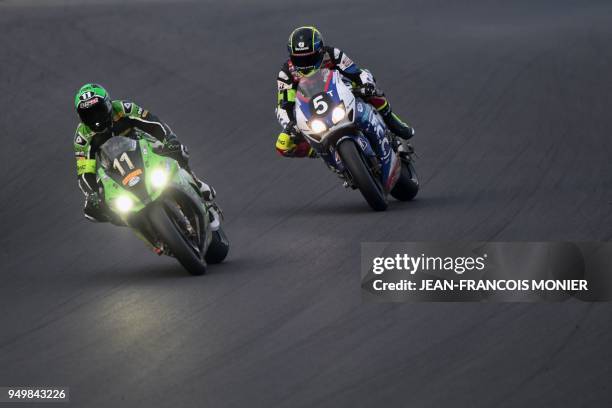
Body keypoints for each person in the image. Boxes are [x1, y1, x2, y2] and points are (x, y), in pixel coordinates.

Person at [73, 83, 214, 222]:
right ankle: (147, 231)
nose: (95, 118)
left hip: (143, 149)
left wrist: (169, 140)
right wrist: (92, 194)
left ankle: (196, 184)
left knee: (177, 150)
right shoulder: (82, 136)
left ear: (109, 104)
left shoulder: (123, 108)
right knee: (98, 209)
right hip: (114, 168)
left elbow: (153, 123)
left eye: (99, 110)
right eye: (88, 115)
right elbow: (84, 172)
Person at [275, 26, 415, 158]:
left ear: (320, 51)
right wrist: (290, 125)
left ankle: (392, 122)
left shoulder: (332, 54)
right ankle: (321, 153)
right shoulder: (286, 73)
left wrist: (366, 85)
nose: (305, 64)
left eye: (309, 58)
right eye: (299, 59)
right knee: (283, 145)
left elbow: (357, 73)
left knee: (370, 91)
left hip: (341, 91)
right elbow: (283, 105)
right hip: (311, 108)